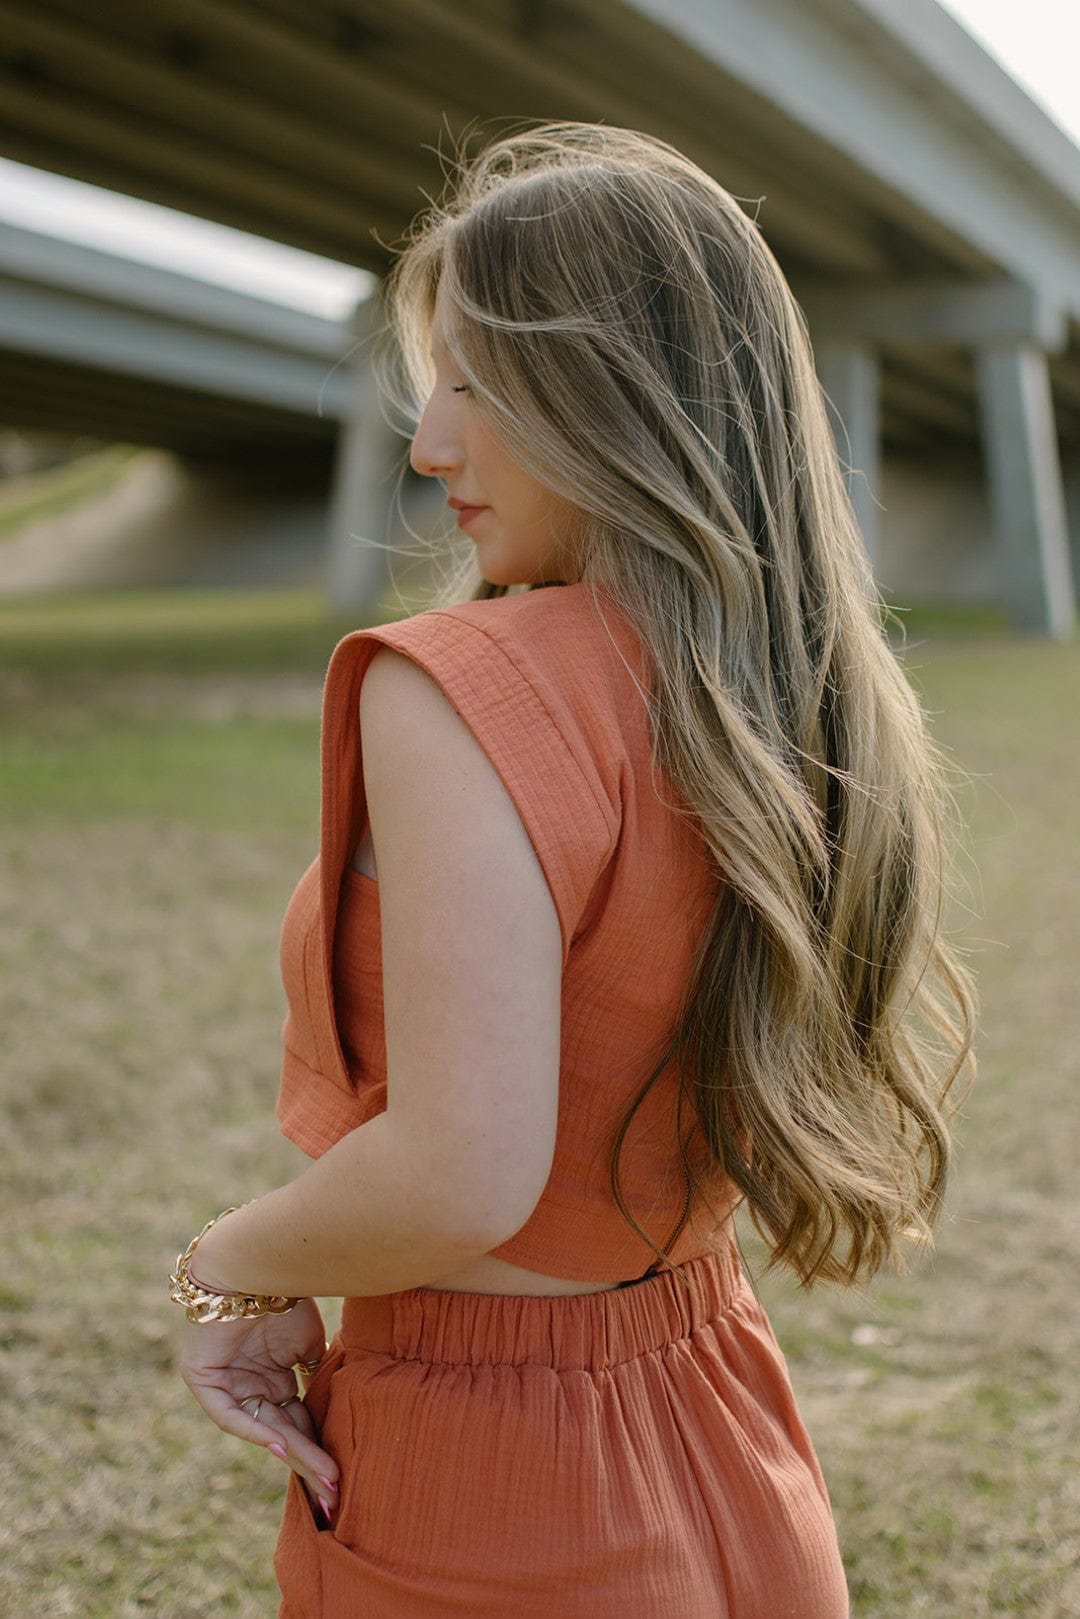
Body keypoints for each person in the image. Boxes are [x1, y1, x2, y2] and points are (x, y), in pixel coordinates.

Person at [174, 122, 976, 1618]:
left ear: (619, 398)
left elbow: (461, 1169)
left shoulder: (461, 683)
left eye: (478, 381)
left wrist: (229, 1270)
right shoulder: (784, 698)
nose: (430, 443)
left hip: (492, 1484)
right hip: (728, 1427)